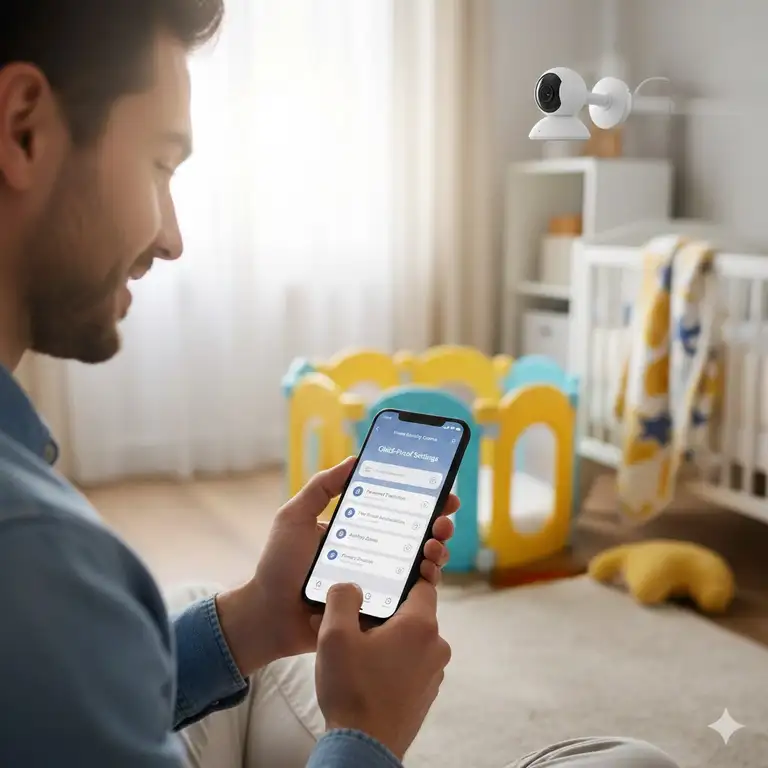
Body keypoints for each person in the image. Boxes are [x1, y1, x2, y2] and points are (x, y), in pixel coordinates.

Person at [0, 1, 681, 766]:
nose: (172, 237)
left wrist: (257, 617)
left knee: (199, 609)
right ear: (24, 129)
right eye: (160, 165)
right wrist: (365, 732)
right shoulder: (35, 556)